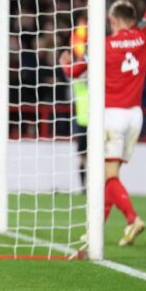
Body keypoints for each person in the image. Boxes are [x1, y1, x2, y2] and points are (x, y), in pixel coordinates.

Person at [61, 0, 146, 246]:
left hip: (110, 116)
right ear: (133, 20)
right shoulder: (145, 34)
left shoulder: (104, 45)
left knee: (107, 177)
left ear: (114, 21)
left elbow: (75, 71)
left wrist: (63, 62)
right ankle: (95, 230)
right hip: (135, 115)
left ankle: (132, 217)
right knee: (108, 175)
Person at [59, 19, 89, 192]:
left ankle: (88, 186)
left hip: (86, 121)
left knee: (85, 157)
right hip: (84, 120)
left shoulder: (79, 78)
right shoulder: (81, 78)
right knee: (83, 157)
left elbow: (71, 72)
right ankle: (85, 187)